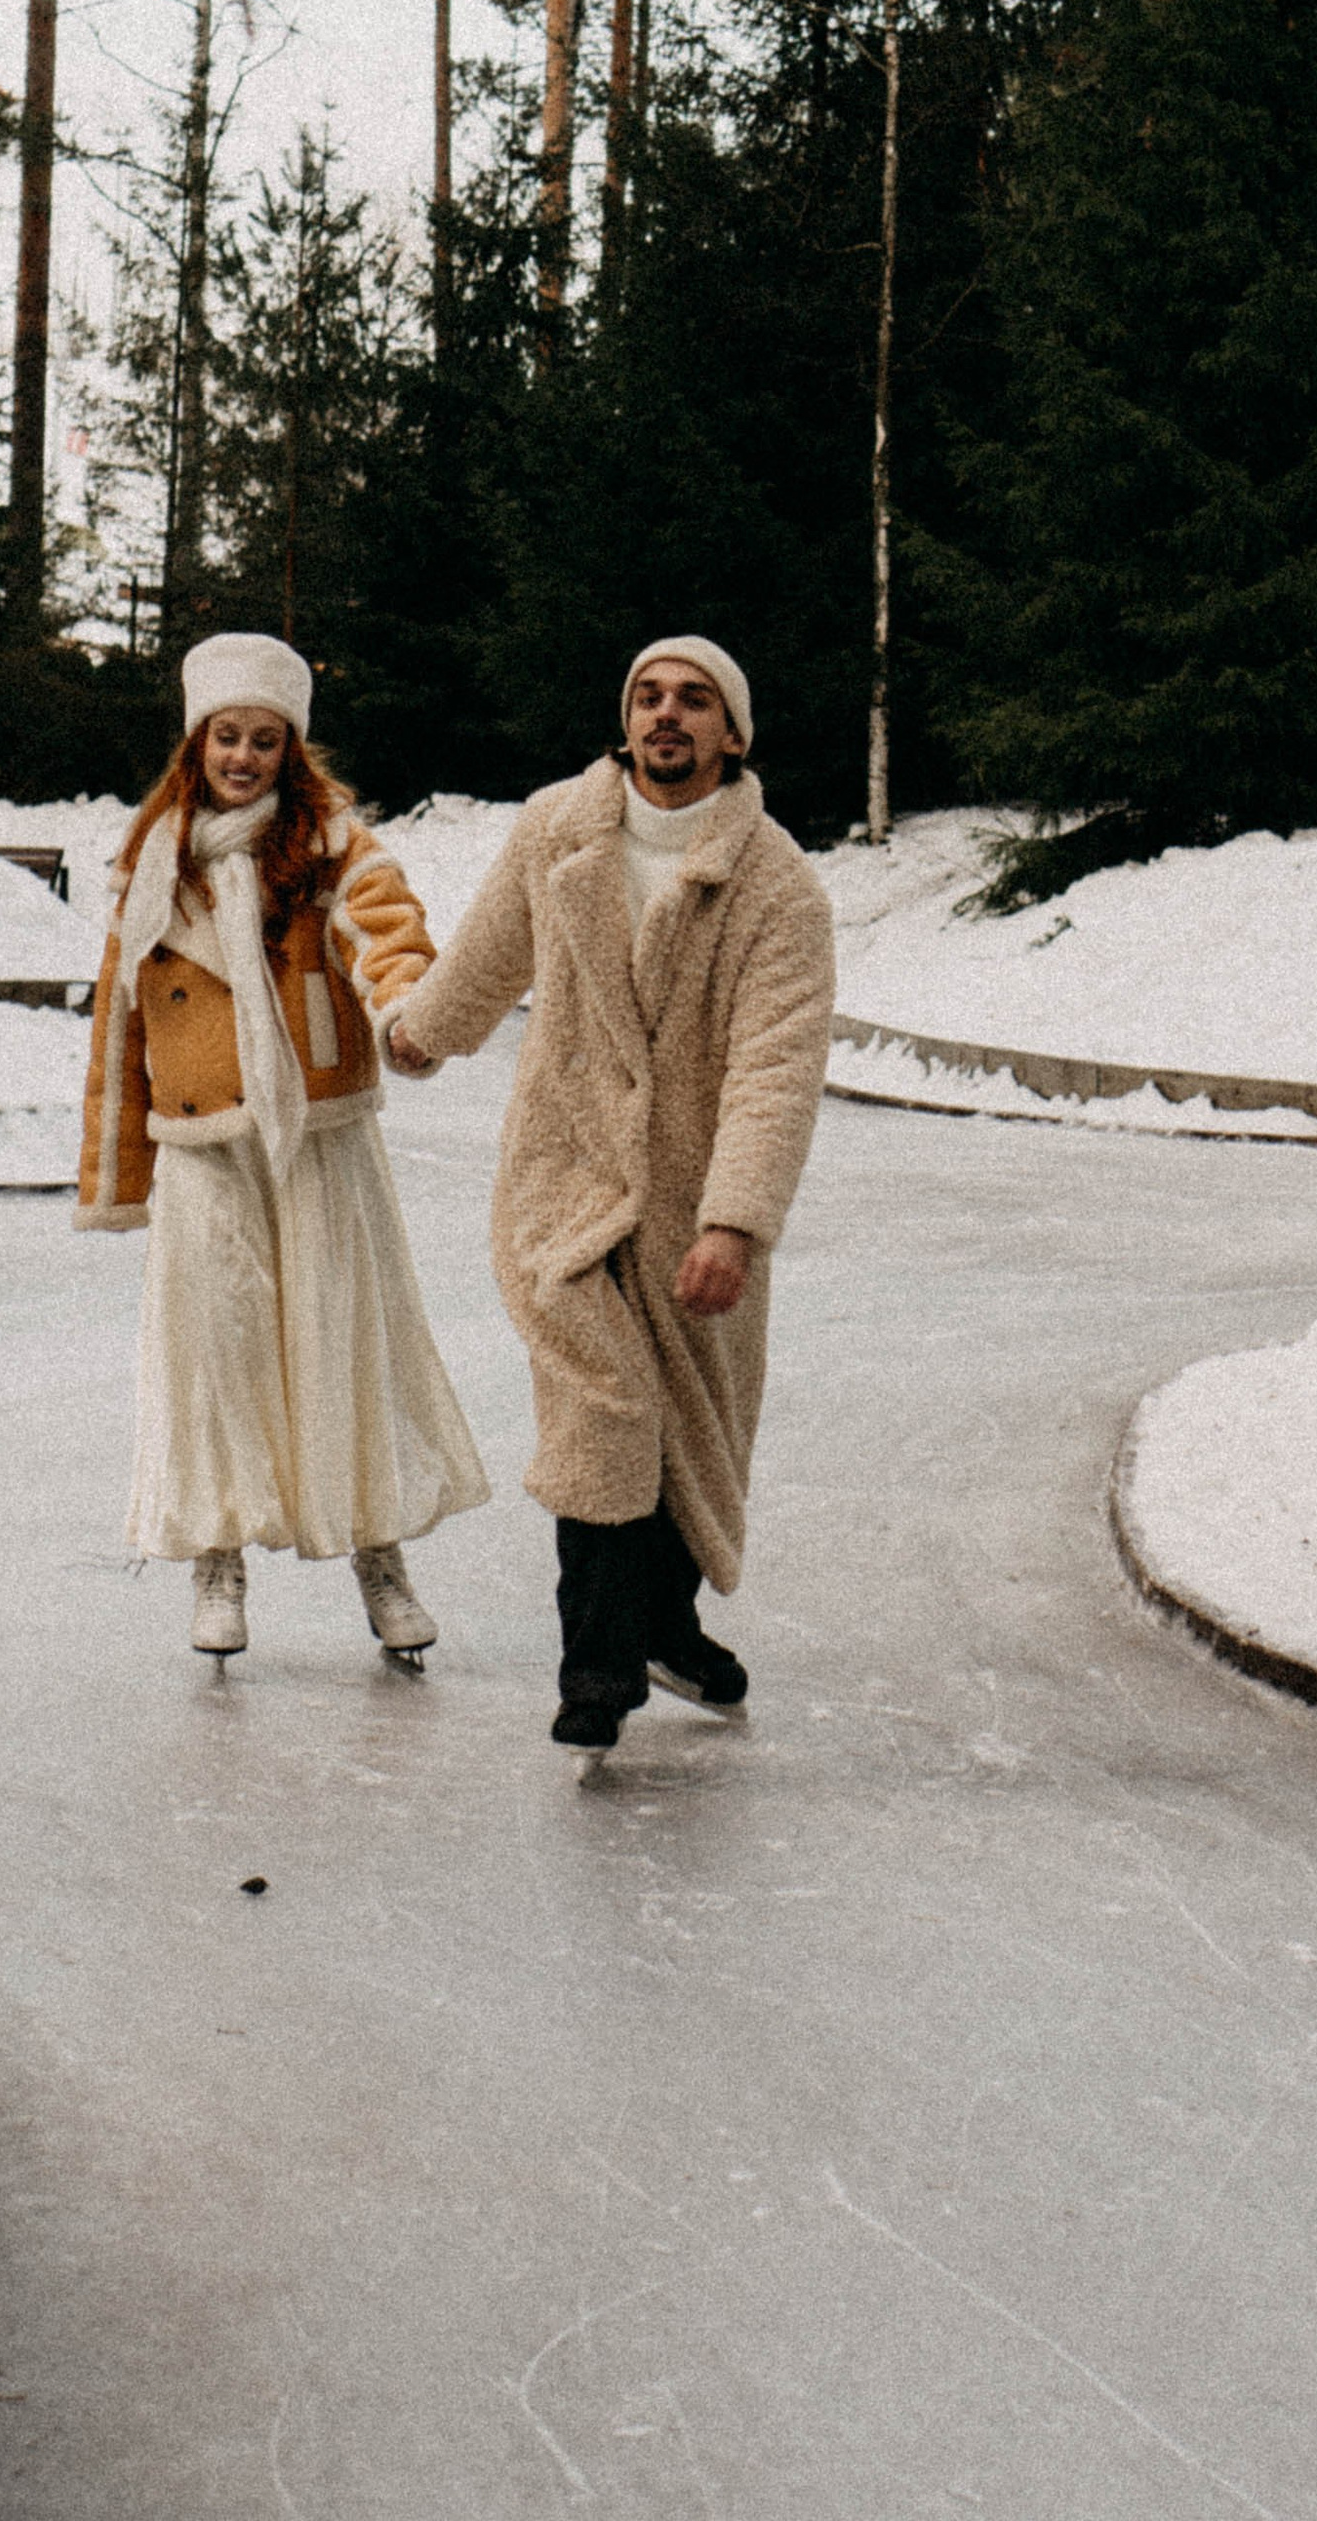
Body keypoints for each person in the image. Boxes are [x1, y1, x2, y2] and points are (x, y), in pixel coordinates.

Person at [385, 636, 833, 1754]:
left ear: (732, 734)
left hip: (692, 1198)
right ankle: (596, 1668)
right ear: (624, 719)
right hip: (564, 1177)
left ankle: (665, 1629)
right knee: (602, 1408)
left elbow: (775, 1068)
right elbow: (491, 954)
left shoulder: (776, 885)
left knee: (687, 1426)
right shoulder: (556, 829)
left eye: (693, 702)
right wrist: (421, 1034)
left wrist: (733, 1223)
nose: (666, 716)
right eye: (647, 697)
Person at [77, 633, 489, 1661]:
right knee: (216, 1358)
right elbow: (119, 1026)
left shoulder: (332, 844)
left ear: (289, 751)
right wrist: (116, 1171)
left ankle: (380, 1561)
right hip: (203, 1143)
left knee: (345, 1344)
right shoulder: (152, 863)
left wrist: (406, 1012)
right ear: (197, 743)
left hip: (316, 1134)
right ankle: (218, 1563)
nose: (244, 757)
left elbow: (386, 932)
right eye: (228, 737)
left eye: (265, 740)